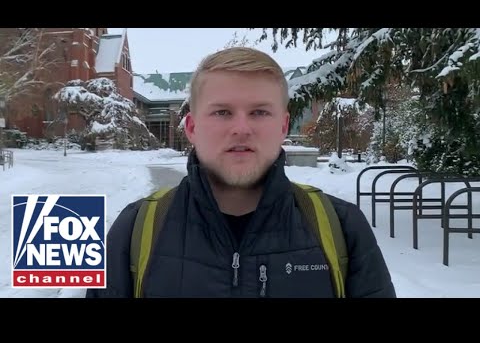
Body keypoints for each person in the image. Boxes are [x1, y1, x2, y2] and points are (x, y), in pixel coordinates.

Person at [86, 47, 396, 298]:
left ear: (283, 126)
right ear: (192, 127)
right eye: (222, 112)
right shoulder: (135, 230)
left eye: (259, 112)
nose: (241, 129)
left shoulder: (341, 229)